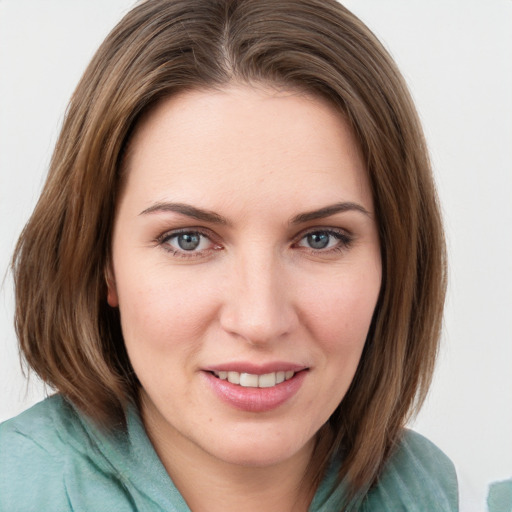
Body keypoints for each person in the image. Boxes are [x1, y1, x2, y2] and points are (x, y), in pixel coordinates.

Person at [0, 0, 458, 510]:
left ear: (392, 260)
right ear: (102, 261)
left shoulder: (427, 488)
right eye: (188, 240)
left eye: (320, 238)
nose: (260, 320)